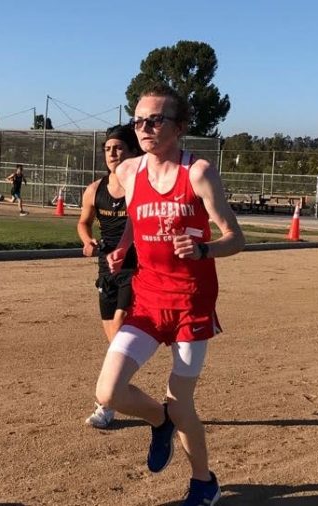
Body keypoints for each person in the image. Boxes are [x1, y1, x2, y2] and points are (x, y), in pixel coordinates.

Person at [94, 84, 245, 506]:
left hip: (191, 305)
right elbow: (135, 216)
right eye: (138, 120)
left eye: (155, 119)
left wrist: (203, 249)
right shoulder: (129, 172)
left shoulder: (197, 173)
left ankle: (203, 482)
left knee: (183, 404)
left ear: (179, 127)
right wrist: (125, 245)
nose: (143, 128)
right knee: (108, 392)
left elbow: (236, 238)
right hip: (147, 300)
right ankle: (158, 421)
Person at [77, 124, 143, 429]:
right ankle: (117, 394)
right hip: (106, 271)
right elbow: (83, 222)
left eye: (118, 148)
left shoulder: (141, 187)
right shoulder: (95, 189)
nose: (112, 154)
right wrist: (87, 241)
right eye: (107, 148)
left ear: (132, 152)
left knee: (118, 328)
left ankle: (105, 403)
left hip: (135, 268)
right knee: (114, 342)